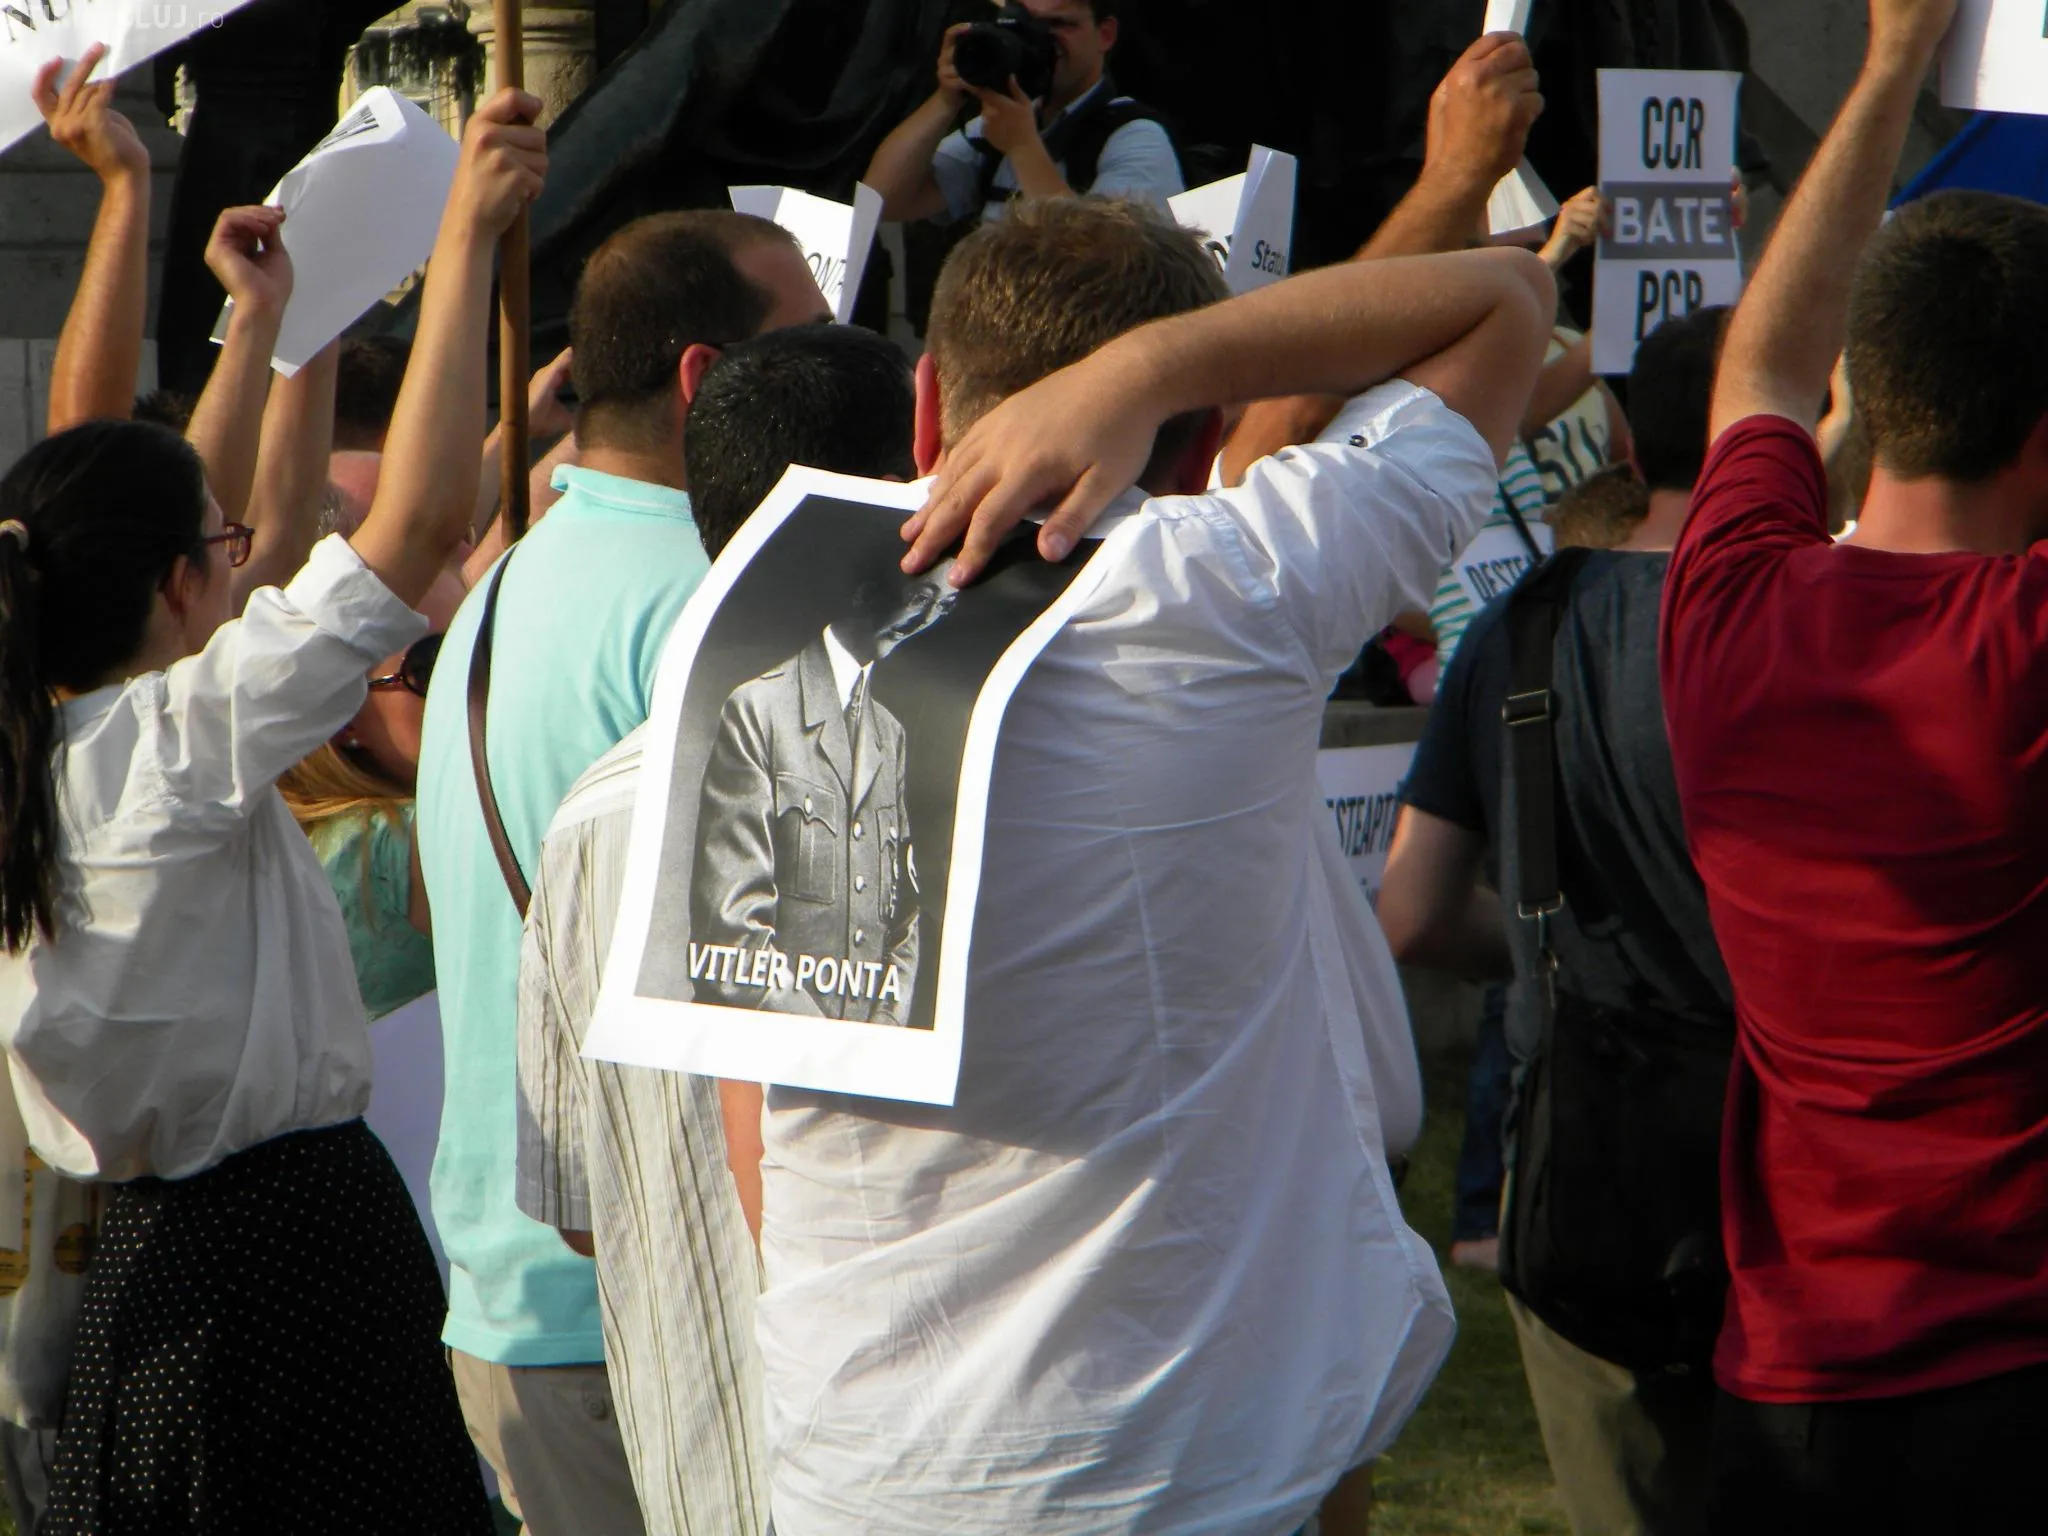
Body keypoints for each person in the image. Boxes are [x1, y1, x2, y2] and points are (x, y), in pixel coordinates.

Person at [733, 197, 1551, 1534]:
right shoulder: (1232, 582)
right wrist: (1148, 370)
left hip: (863, 1455)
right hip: (1181, 1461)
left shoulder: (763, 622)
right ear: (1211, 437)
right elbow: (1504, 303)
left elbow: (744, 1070)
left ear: (926, 407)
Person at [0, 86, 546, 1534]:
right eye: (220, 551)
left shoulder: (54, 749)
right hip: (290, 1259)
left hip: (157, 1266)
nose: (246, 556)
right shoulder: (175, 746)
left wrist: (262, 325)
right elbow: (410, 528)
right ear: (181, 586)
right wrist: (465, 238)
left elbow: (217, 513)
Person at [1659, 1, 2048, 1529]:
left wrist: (1890, 63)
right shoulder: (2020, 646)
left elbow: (1761, 364)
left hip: (1790, 1387)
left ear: (1868, 399)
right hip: (2011, 1371)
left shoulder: (1726, 605)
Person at [414, 209, 828, 1536]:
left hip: (517, 1279)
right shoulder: (709, 599)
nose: (849, 376)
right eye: (812, 346)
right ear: (707, 379)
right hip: (655, 1298)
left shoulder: (500, 583)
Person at [514, 321, 917, 1536]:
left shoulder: (592, 818)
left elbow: (573, 1203)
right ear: (906, 483)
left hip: (705, 1462)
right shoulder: (952, 783)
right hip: (899, 1463)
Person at [1379, 306, 1736, 1536]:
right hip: (1802, 1157)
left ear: (1624, 442)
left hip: (1582, 1157)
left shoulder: (1525, 619)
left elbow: (1412, 912)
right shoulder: (1826, 611)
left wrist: (1546, 948)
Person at [689, 572, 953, 1026]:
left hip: (865, 1055)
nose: (924, 620)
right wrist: (826, 1048)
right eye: (920, 598)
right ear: (865, 590)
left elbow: (905, 915)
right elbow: (730, 933)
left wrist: (884, 1029)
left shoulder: (890, 735)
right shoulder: (758, 709)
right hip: (760, 1046)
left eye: (943, 607)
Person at [864, 0, 1182, 227]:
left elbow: (1109, 260)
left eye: (1059, 24)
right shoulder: (1005, 124)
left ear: (1105, 34)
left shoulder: (1136, 137)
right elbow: (880, 202)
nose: (1042, 40)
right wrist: (947, 99)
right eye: (1027, 24)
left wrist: (1022, 148)